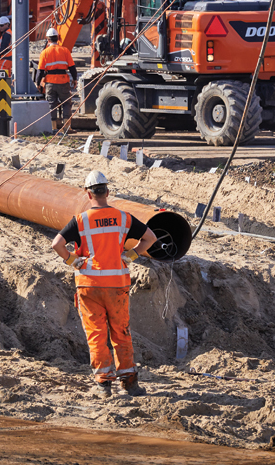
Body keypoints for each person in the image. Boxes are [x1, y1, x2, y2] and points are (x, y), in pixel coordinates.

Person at [51, 170, 157, 398]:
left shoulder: (80, 220)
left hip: (88, 286)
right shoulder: (123, 218)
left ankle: (103, 385)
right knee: (121, 332)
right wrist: (131, 256)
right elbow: (150, 238)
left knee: (96, 335)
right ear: (107, 192)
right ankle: (129, 383)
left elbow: (56, 244)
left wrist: (72, 260)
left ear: (88, 194)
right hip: (117, 285)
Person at [36, 27, 77, 132]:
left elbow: (40, 71)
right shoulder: (65, 51)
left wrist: (37, 83)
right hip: (63, 81)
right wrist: (75, 79)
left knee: (51, 104)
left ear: (48, 40)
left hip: (50, 83)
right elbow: (72, 67)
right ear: (58, 38)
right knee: (66, 103)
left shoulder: (44, 53)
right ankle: (67, 127)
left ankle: (53, 128)